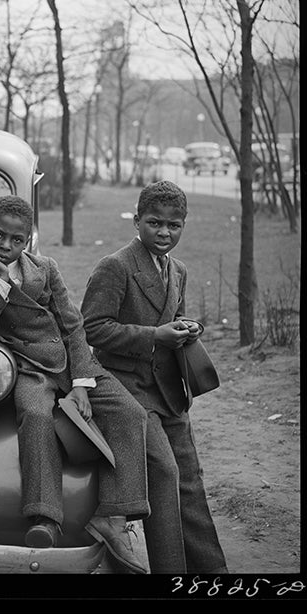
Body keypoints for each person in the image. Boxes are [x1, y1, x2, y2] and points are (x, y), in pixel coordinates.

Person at [0, 196, 150, 571]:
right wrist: (0, 283)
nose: (5, 245)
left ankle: (113, 516)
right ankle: (44, 515)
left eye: (15, 240)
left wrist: (82, 381)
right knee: (34, 413)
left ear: (28, 241)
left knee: (130, 412)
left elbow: (72, 325)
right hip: (27, 366)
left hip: (68, 361)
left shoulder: (45, 268)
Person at [81, 180, 228, 574]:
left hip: (167, 390)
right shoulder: (115, 267)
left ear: (183, 226)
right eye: (154, 223)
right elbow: (92, 329)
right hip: (125, 388)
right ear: (136, 222)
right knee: (163, 470)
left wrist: (185, 328)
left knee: (190, 481)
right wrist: (154, 336)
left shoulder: (177, 270)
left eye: (174, 226)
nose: (164, 233)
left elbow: (172, 315)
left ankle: (213, 573)